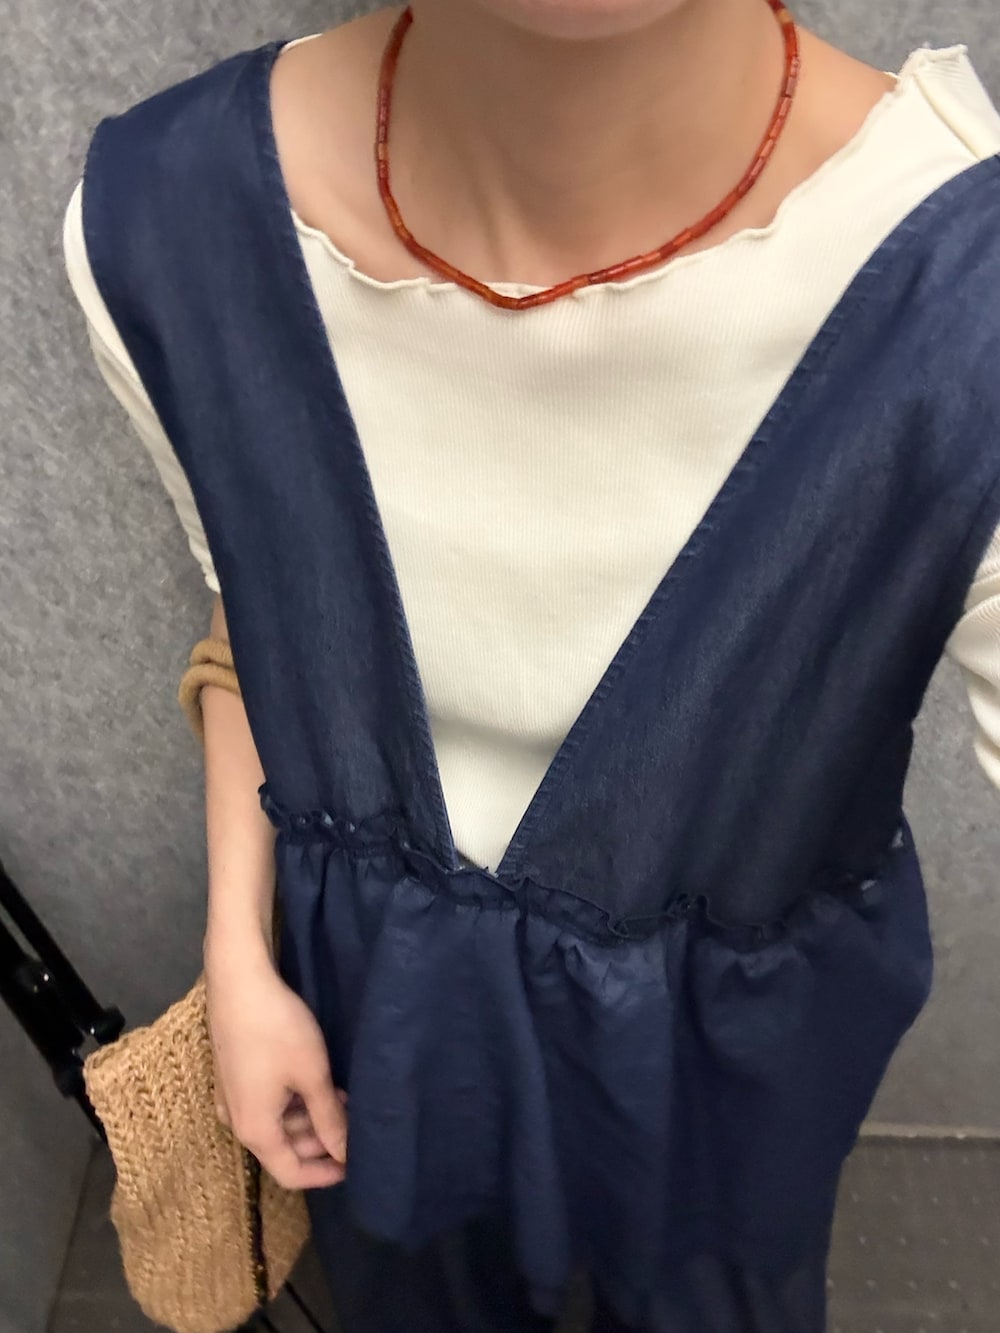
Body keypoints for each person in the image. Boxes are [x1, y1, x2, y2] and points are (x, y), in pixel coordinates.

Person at [63, 0, 1000, 1328]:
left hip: (713, 1072)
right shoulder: (165, 222)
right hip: (382, 1012)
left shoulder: (961, 307)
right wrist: (238, 958)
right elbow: (253, 605)